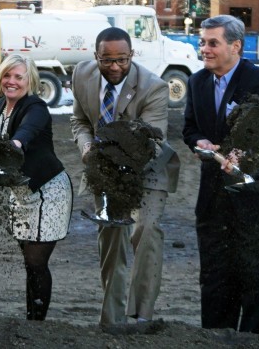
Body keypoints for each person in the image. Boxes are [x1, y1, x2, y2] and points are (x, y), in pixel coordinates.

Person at [182, 14, 259, 333]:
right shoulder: (197, 82)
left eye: (213, 43)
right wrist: (197, 141)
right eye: (202, 42)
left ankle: (253, 339)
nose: (204, 49)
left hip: (257, 189)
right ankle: (215, 336)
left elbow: (258, 128)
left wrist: (239, 156)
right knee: (215, 272)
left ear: (236, 46)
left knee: (257, 273)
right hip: (214, 192)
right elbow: (189, 127)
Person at [69, 27, 177, 325]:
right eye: (107, 60)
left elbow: (152, 141)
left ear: (132, 55)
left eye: (122, 60)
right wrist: (87, 147)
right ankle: (113, 320)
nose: (115, 67)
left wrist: (115, 159)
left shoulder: (153, 87)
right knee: (111, 236)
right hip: (103, 169)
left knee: (145, 231)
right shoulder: (81, 75)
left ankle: (140, 316)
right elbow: (79, 121)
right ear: (96, 57)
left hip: (147, 168)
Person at [0, 54, 71, 321]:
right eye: (7, 76)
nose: (11, 82)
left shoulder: (35, 106)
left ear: (29, 81)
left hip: (48, 191)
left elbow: (28, 130)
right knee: (29, 262)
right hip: (19, 192)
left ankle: (37, 324)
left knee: (36, 262)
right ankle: (31, 317)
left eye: (18, 77)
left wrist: (16, 144)